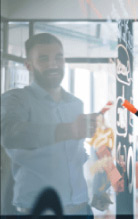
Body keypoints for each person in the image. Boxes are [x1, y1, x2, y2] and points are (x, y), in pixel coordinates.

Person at [1, 33, 98, 215]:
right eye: (43, 59)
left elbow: (73, 153)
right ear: (29, 65)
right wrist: (69, 130)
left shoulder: (75, 103)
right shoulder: (16, 100)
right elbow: (11, 134)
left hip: (80, 209)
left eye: (58, 57)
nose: (53, 64)